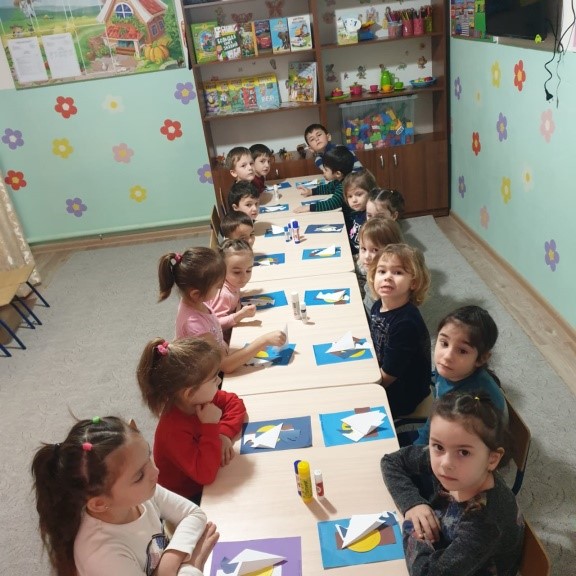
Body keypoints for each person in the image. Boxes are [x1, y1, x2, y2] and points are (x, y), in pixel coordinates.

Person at [31, 416, 219, 576]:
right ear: (99, 503)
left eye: (148, 455)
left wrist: (171, 560)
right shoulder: (103, 555)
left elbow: (194, 514)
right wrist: (192, 564)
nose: (155, 471)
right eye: (139, 475)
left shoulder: (142, 492)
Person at [381, 392, 524, 576]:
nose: (446, 463)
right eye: (438, 446)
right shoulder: (457, 464)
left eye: (464, 452)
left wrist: (412, 526)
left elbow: (426, 573)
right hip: (445, 546)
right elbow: (391, 462)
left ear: (492, 459)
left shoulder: (484, 522)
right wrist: (412, 504)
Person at [137, 336, 247, 503]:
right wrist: (210, 427)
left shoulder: (200, 399)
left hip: (207, 479)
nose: (219, 381)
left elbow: (234, 402)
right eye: (214, 379)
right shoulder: (172, 431)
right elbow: (205, 475)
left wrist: (223, 433)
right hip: (187, 497)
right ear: (189, 393)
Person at [158, 247, 285, 374]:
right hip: (208, 375)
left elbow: (213, 328)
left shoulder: (195, 301)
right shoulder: (194, 324)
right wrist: (263, 341)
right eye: (218, 287)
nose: (221, 289)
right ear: (196, 294)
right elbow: (225, 366)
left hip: (220, 353)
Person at [414, 305, 508, 445]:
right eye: (444, 343)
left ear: (481, 358)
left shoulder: (468, 401)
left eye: (462, 351)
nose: (447, 356)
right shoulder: (450, 369)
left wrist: (417, 447)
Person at [367, 243, 432, 418]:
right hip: (384, 369)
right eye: (382, 271)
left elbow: (389, 375)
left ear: (414, 283)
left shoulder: (406, 324)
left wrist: (364, 391)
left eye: (397, 272)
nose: (387, 277)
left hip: (403, 394)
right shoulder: (378, 305)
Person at [207, 239, 256, 340]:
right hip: (222, 341)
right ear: (221, 269)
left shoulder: (232, 282)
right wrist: (241, 315)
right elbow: (215, 325)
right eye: (237, 272)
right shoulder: (223, 294)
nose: (244, 277)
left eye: (248, 270)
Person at [357, 216, 404, 311]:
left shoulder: (386, 283)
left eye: (374, 250)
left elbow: (374, 314)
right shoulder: (373, 271)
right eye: (363, 249)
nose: (367, 256)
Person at [293, 145, 355, 214]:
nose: (323, 171)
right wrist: (311, 191)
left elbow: (332, 203)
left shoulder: (345, 186)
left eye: (326, 169)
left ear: (338, 173)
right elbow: (328, 188)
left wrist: (309, 207)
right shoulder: (339, 180)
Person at [342, 168, 377, 255]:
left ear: (371, 192)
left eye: (359, 194)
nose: (354, 200)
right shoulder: (357, 213)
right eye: (350, 196)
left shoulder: (371, 217)